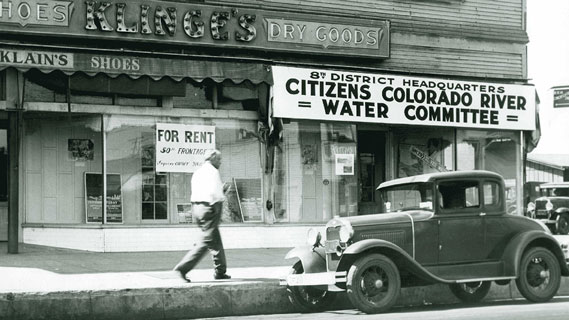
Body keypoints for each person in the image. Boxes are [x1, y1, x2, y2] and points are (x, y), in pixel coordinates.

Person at [173, 149, 231, 282]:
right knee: (206, 242)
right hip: (209, 208)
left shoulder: (198, 172)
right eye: (218, 159)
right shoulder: (213, 172)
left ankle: (220, 271)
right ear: (211, 159)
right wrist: (222, 194)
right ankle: (182, 269)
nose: (220, 162)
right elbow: (215, 194)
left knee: (215, 239)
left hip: (197, 208)